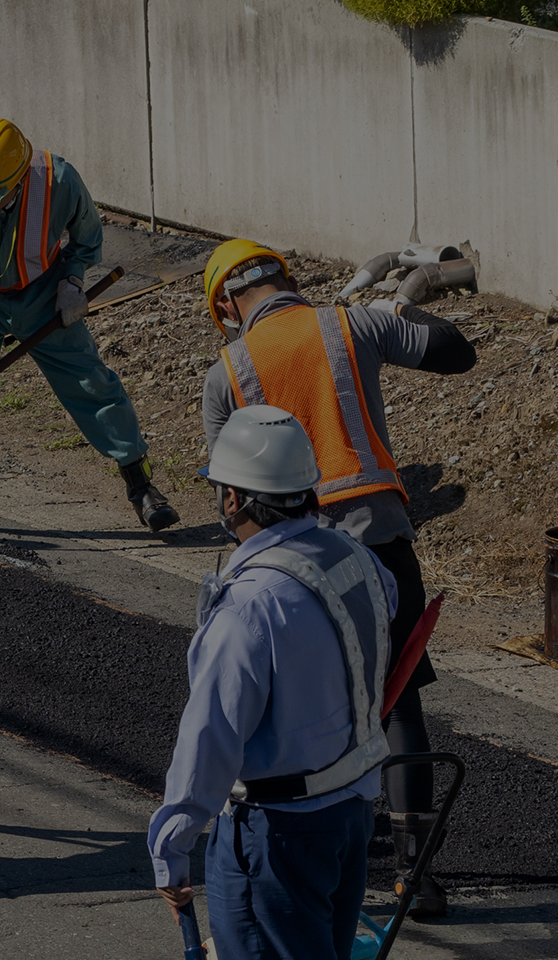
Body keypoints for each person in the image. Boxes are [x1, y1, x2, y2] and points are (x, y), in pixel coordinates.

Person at [199, 239, 476, 917]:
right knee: (399, 701)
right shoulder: (352, 323)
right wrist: (396, 312)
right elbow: (457, 352)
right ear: (285, 280)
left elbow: (229, 504)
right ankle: (416, 877)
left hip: (294, 566)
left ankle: (310, 857)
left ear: (227, 306)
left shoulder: (226, 373)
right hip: (380, 547)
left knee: (307, 707)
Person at [150, 405, 397, 959]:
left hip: (276, 835)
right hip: (351, 815)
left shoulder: (247, 609)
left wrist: (171, 848)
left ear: (232, 499)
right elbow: (387, 622)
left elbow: (209, 740)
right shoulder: (357, 559)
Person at [0, 117, 176, 537]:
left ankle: (142, 487)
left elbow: (88, 236)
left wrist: (73, 281)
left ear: (18, 181)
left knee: (91, 383)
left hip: (44, 292)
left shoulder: (59, 181)